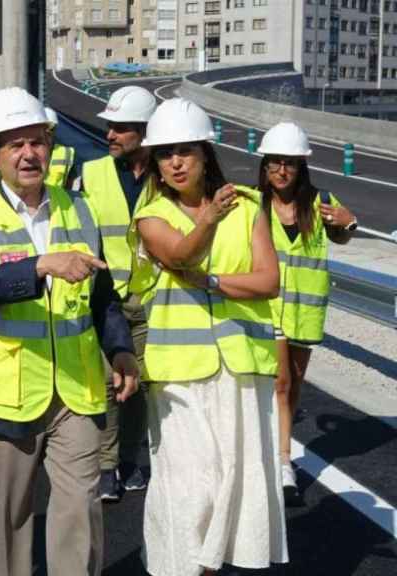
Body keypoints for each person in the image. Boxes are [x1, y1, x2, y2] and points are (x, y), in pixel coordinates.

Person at [0, 86, 139, 576]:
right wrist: (40, 266)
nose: (29, 153)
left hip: (74, 389)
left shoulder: (80, 208)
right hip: (6, 394)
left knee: (81, 508)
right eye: (15, 144)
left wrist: (119, 350)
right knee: (10, 519)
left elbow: (102, 295)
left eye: (37, 142)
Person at [134, 98, 287, 576]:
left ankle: (206, 570)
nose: (175, 162)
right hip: (179, 374)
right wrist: (208, 220)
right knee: (188, 487)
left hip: (240, 367)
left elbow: (269, 281)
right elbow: (179, 256)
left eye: (184, 151)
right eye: (164, 154)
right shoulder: (151, 214)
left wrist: (217, 283)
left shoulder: (247, 206)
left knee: (232, 484)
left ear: (205, 153)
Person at [256, 121, 357, 505]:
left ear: (301, 167)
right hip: (268, 309)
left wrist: (348, 223)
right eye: (275, 162)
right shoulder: (254, 204)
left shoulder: (320, 201)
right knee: (281, 383)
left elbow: (341, 234)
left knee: (294, 385)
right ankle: (283, 462)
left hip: (307, 314)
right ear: (265, 166)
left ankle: (275, 447)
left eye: (291, 164)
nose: (282, 171)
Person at [78, 85, 158, 501]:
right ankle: (106, 464)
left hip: (149, 298)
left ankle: (131, 457)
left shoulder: (166, 176)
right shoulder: (91, 174)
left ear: (145, 133)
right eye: (109, 127)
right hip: (104, 298)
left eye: (121, 128)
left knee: (139, 385)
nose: (110, 135)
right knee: (107, 384)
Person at [43, 106, 78, 189]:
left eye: (51, 129)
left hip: (58, 200)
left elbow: (70, 183)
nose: (47, 133)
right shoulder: (28, 151)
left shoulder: (66, 153)